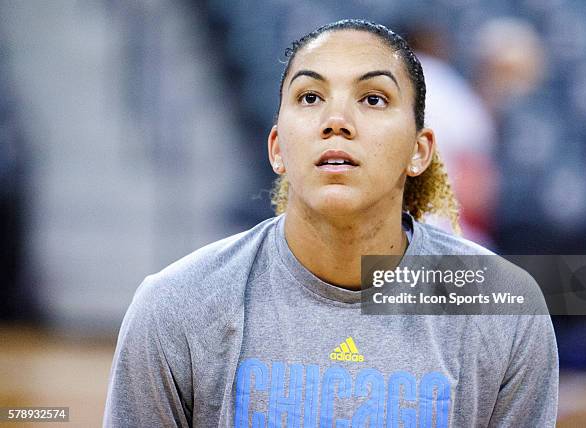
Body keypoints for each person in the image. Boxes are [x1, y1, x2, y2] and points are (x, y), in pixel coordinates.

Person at [103, 19, 558, 427]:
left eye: (373, 98)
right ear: (277, 148)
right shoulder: (175, 307)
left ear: (419, 152)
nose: (336, 121)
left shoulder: (506, 312)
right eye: (310, 97)